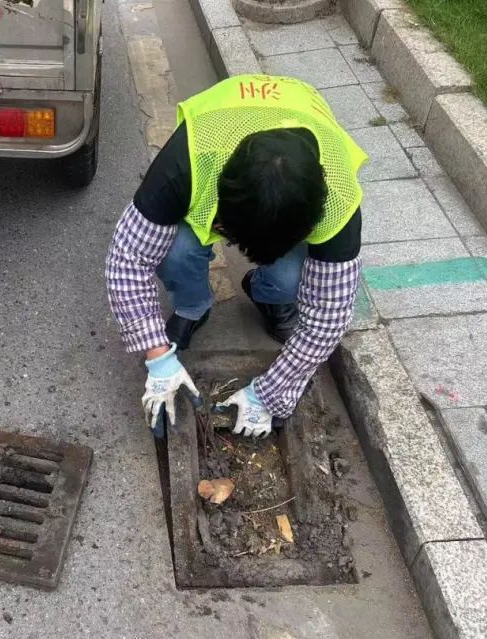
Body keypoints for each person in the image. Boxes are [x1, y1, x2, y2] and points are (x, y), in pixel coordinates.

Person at [105, 74, 367, 438]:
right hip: (222, 135)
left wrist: (271, 393)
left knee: (293, 277)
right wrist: (157, 355)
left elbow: (328, 317)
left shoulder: (337, 196)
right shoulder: (190, 158)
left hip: (290, 178)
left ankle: (269, 293)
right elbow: (129, 258)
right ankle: (193, 306)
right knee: (175, 249)